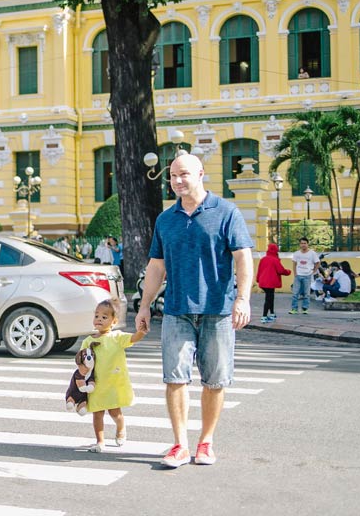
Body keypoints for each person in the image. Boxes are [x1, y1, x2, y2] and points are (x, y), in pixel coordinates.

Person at [136, 153, 253, 469]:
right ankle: (179, 444)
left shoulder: (226, 212)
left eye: (183, 174)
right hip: (176, 310)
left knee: (215, 381)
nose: (177, 181)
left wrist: (242, 299)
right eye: (173, 176)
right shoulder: (166, 219)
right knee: (174, 378)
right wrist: (144, 306)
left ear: (201, 174)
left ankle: (206, 442)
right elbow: (156, 267)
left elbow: (243, 258)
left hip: (218, 310)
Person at [83, 299, 146, 453]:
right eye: (97, 315)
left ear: (114, 321)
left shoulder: (117, 337)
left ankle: (121, 428)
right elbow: (81, 360)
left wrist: (141, 332)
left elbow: (132, 338)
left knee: (115, 413)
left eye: (104, 317)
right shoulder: (88, 340)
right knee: (97, 414)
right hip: (96, 384)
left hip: (112, 384)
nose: (99, 319)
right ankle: (100, 441)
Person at [256, 243, 291, 323]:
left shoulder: (263, 259)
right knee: (269, 299)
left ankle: (272, 313)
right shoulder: (275, 260)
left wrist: (258, 279)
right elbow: (281, 270)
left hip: (263, 281)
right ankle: (264, 316)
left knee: (270, 298)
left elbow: (259, 270)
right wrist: (288, 272)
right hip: (270, 282)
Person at [288, 237, 318, 315]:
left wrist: (313, 271)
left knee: (306, 293)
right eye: (301, 243)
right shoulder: (296, 253)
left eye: (305, 243)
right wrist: (295, 273)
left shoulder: (312, 253)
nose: (303, 245)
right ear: (299, 244)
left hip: (307, 275)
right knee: (295, 293)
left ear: (307, 244)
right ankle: (294, 308)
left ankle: (305, 308)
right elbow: (294, 264)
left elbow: (317, 262)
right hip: (298, 275)